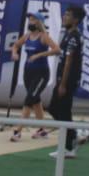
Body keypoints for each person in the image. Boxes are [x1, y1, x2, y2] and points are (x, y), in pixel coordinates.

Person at [10, 13, 60, 142]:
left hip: (41, 74)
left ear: (39, 22)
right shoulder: (27, 36)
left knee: (29, 99)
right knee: (35, 100)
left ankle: (18, 131)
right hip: (28, 73)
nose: (30, 22)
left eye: (32, 20)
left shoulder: (44, 36)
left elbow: (57, 50)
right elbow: (15, 45)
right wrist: (14, 53)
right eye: (29, 19)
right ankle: (42, 130)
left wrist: (39, 55)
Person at [47, 5, 85, 159]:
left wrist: (62, 84)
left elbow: (69, 62)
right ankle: (73, 135)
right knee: (54, 109)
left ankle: (69, 145)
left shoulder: (74, 37)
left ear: (76, 20)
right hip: (62, 79)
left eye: (68, 15)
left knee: (62, 111)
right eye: (65, 14)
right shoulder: (68, 34)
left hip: (68, 81)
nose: (64, 17)